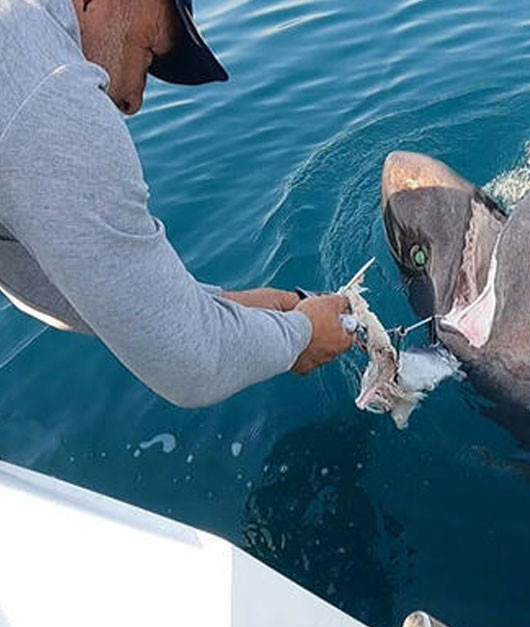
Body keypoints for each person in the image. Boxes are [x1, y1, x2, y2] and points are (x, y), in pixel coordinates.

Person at [0, 0, 354, 408]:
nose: (132, 101)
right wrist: (303, 335)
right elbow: (194, 367)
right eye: (149, 53)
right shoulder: (52, 93)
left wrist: (219, 305)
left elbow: (62, 288)